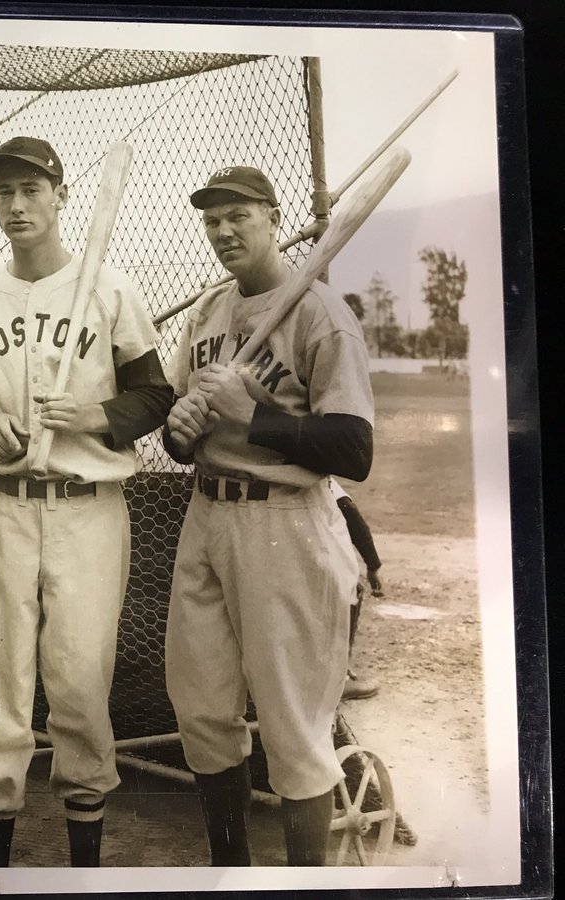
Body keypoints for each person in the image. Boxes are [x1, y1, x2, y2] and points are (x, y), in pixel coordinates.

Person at [0, 137, 175, 867]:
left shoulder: (109, 287)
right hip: (1, 507)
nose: (16, 205)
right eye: (4, 193)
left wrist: (93, 415)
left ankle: (84, 868)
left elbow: (154, 395)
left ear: (62, 196)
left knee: (77, 680)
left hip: (86, 507)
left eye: (31, 190)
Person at [163, 166, 374, 866]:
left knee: (292, 726)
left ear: (274, 218)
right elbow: (174, 433)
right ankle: (231, 869)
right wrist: (181, 427)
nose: (223, 231)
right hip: (207, 515)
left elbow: (354, 447)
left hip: (286, 521)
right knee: (199, 710)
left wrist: (251, 416)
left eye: (239, 217)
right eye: (212, 219)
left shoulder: (319, 312)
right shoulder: (209, 311)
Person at [330, 480, 384, 701]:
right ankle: (338, 678)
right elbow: (353, 518)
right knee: (350, 586)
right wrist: (373, 566)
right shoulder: (321, 478)